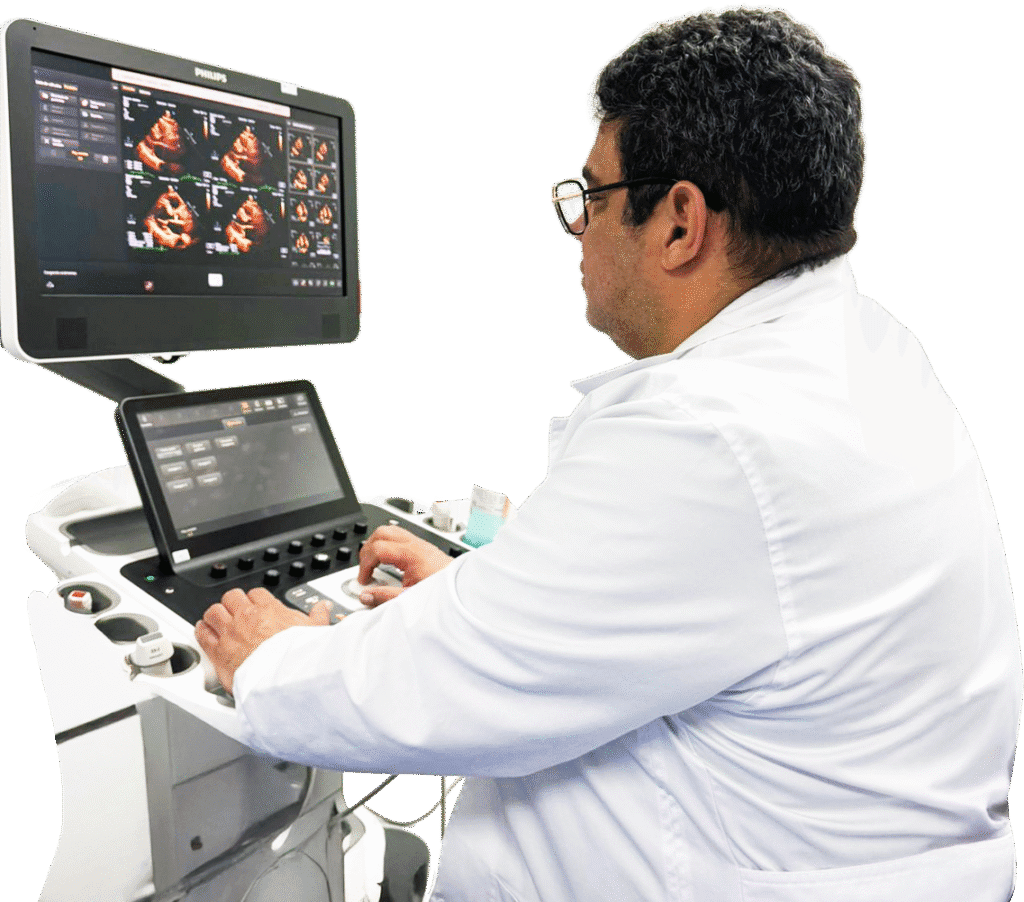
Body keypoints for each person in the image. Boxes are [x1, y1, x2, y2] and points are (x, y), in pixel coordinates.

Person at [195, 7, 1021, 901]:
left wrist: (268, 659)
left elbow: (441, 686)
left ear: (680, 223)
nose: (580, 228)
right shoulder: (860, 346)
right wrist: (496, 590)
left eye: (590, 198)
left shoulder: (712, 431)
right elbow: (697, 604)